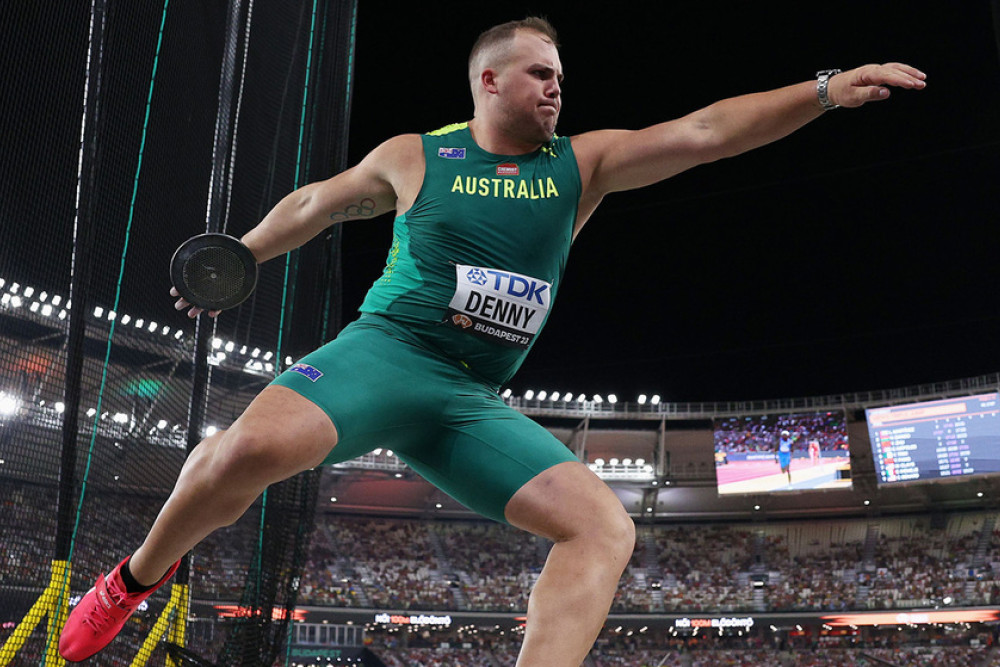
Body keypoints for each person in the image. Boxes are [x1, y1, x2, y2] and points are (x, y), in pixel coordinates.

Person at [58, 16, 926, 665]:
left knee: (602, 529)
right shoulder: (417, 157)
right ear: (488, 82)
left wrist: (821, 91)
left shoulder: (583, 164)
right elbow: (317, 203)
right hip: (385, 354)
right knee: (239, 452)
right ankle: (131, 580)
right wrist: (241, 253)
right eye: (540, 73)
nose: (557, 88)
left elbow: (706, 133)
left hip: (467, 400)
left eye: (561, 77)